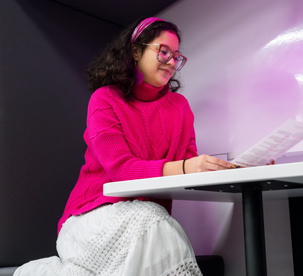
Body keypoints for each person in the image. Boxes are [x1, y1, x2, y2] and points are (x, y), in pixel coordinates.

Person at [14, 17, 231, 276]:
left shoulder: (180, 108)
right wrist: (187, 166)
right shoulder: (104, 99)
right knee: (154, 222)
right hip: (90, 218)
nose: (172, 62)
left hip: (145, 221)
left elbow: (188, 168)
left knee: (153, 223)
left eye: (176, 56)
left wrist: (234, 168)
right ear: (136, 51)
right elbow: (121, 169)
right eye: (163, 51)